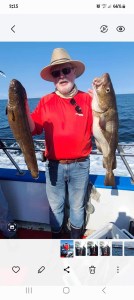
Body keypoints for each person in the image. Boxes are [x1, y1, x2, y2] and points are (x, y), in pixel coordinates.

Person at [26, 48, 93, 239]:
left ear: (74, 72)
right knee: (55, 207)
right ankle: (56, 239)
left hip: (81, 165)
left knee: (77, 206)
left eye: (66, 71)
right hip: (53, 165)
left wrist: (101, 105)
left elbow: (104, 127)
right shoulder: (45, 101)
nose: (62, 76)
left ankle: (74, 240)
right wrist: (20, 109)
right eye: (56, 73)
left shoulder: (88, 99)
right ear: (52, 78)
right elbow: (32, 128)